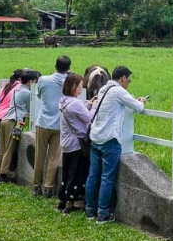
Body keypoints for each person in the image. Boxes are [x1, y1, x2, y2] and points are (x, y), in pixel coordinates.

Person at [85, 66, 146, 224]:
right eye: (129, 80)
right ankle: (103, 213)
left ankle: (90, 209)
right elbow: (138, 107)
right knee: (107, 178)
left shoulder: (104, 89)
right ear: (123, 78)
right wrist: (142, 101)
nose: (128, 83)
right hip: (109, 139)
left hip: (95, 137)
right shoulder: (118, 91)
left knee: (93, 176)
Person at [33, 55, 71, 198]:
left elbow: (39, 95)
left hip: (43, 122)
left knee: (39, 155)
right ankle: (49, 187)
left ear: (55, 66)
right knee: (54, 157)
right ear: (68, 69)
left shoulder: (43, 80)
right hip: (60, 124)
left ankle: (36, 186)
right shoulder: (70, 82)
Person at [56, 73, 93, 214]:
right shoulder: (76, 103)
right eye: (80, 85)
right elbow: (89, 118)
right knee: (76, 173)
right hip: (76, 144)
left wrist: (86, 104)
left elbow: (76, 112)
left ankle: (62, 200)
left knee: (66, 173)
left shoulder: (63, 101)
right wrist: (94, 105)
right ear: (73, 87)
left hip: (65, 143)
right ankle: (71, 203)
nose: (82, 88)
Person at [0, 69, 39, 183]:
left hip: (5, 119)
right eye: (34, 81)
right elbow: (31, 110)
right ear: (30, 82)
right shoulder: (28, 93)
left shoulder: (16, 89)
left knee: (2, 148)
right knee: (10, 148)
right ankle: (3, 175)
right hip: (15, 122)